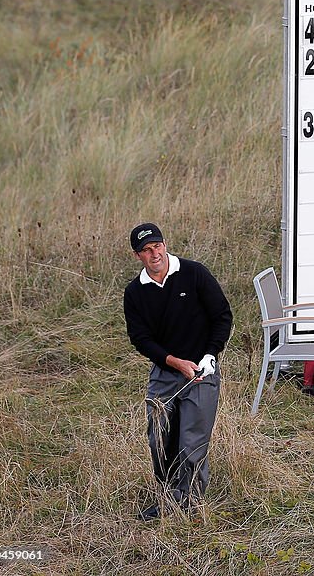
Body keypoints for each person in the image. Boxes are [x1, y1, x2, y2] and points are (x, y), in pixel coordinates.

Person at [124, 223, 232, 520]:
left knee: (191, 441)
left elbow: (222, 316)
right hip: (166, 372)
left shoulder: (194, 273)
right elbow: (140, 339)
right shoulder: (135, 292)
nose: (154, 253)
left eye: (157, 245)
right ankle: (169, 494)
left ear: (165, 243)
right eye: (146, 250)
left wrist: (210, 355)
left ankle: (189, 506)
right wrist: (174, 362)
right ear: (138, 256)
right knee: (159, 438)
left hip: (201, 370)